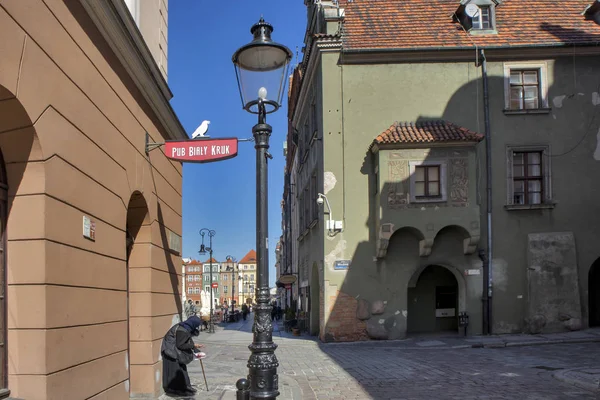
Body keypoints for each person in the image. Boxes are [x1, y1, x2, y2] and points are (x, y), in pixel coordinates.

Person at [161, 315, 204, 397]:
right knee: (177, 372)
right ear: (193, 324)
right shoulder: (182, 330)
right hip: (171, 351)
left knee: (183, 369)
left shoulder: (186, 327)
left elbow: (188, 340)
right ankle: (178, 390)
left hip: (175, 351)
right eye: (197, 325)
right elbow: (180, 345)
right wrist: (192, 346)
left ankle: (187, 387)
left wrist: (195, 349)